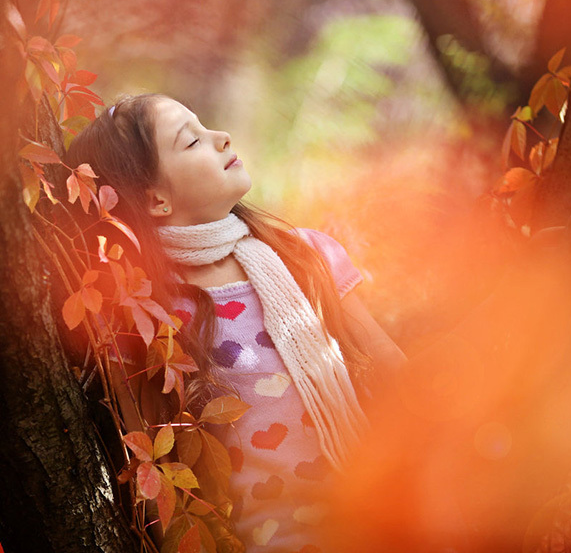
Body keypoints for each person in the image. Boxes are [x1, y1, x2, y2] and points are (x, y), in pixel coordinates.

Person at [66, 93, 406, 552]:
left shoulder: (303, 255)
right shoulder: (144, 315)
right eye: (192, 141)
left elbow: (393, 370)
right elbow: (151, 469)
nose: (221, 137)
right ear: (156, 199)